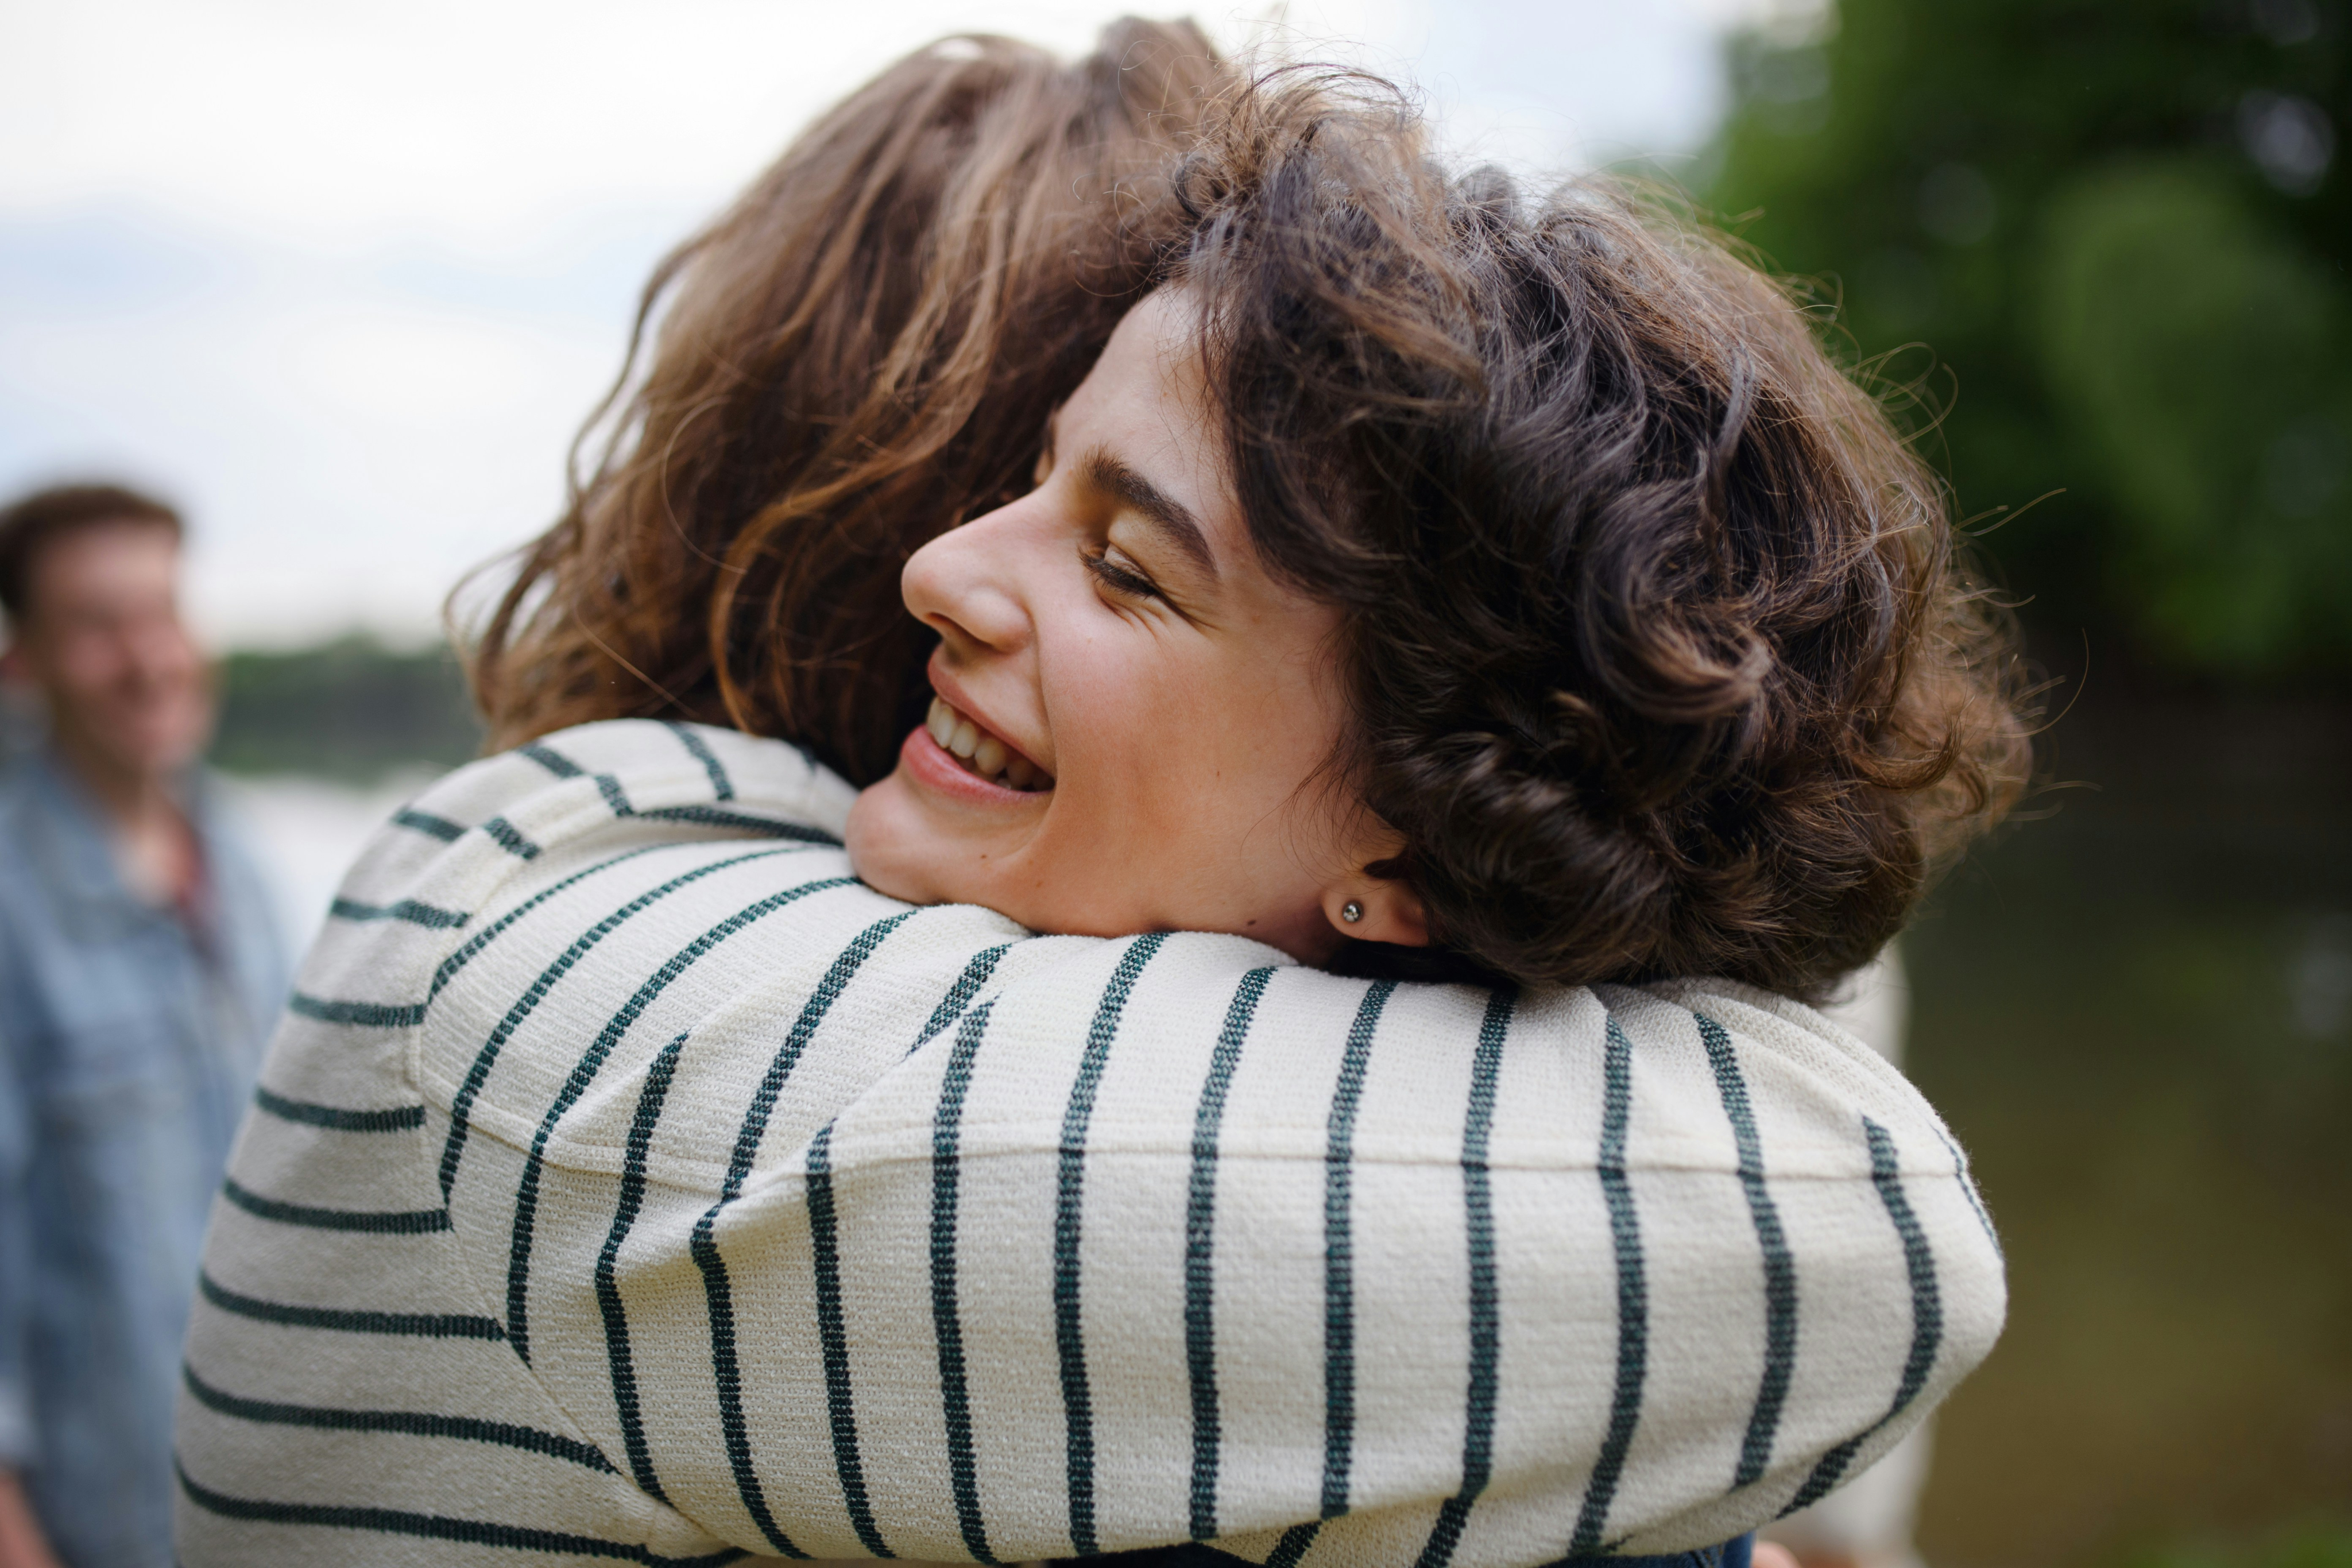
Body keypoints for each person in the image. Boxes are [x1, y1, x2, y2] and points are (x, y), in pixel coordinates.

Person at [177, 41, 2020, 1568]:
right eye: (1026, 472)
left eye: (1129, 563)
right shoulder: (619, 939)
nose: (945, 565)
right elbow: (1854, 1236)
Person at [0, 483, 287, 1568]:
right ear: (23, 661)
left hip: (272, 1505)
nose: (148, 660)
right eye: (97, 626)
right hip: (100, 1527)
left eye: (162, 614)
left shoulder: (243, 855)